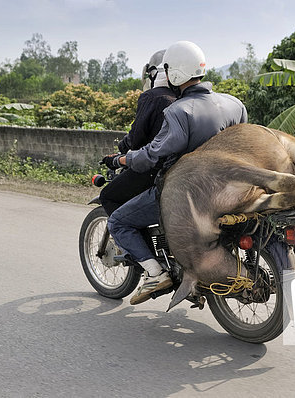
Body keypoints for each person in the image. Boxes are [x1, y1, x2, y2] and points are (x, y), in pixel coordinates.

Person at [106, 40, 248, 305]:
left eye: (168, 69)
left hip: (184, 195)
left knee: (118, 222)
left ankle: (156, 273)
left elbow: (152, 155)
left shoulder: (179, 111)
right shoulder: (234, 105)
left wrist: (124, 159)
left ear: (175, 73)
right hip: (228, 191)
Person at [99, 50, 176, 216]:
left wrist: (122, 148)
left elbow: (136, 139)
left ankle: (126, 235)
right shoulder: (182, 97)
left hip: (152, 168)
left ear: (153, 73)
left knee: (107, 196)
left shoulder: (152, 97)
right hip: (176, 168)